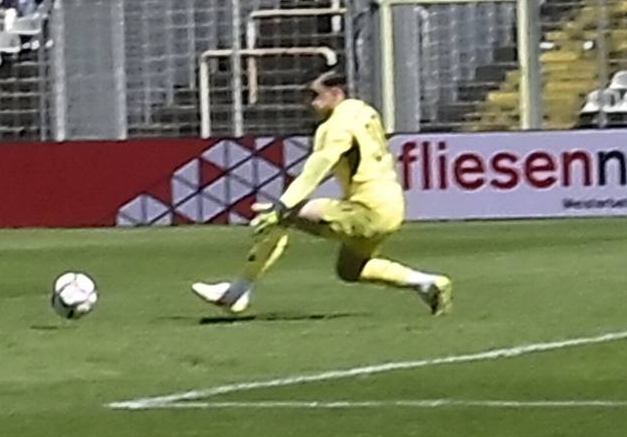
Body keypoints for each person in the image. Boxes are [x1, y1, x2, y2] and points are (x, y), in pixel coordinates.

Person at [191, 72, 452, 317]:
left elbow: (316, 170)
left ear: (336, 93)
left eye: (315, 96)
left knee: (285, 217)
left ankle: (237, 292)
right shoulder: (363, 110)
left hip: (368, 209)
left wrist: (282, 206)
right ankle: (427, 283)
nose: (309, 103)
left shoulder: (334, 127)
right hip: (392, 206)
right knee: (350, 270)